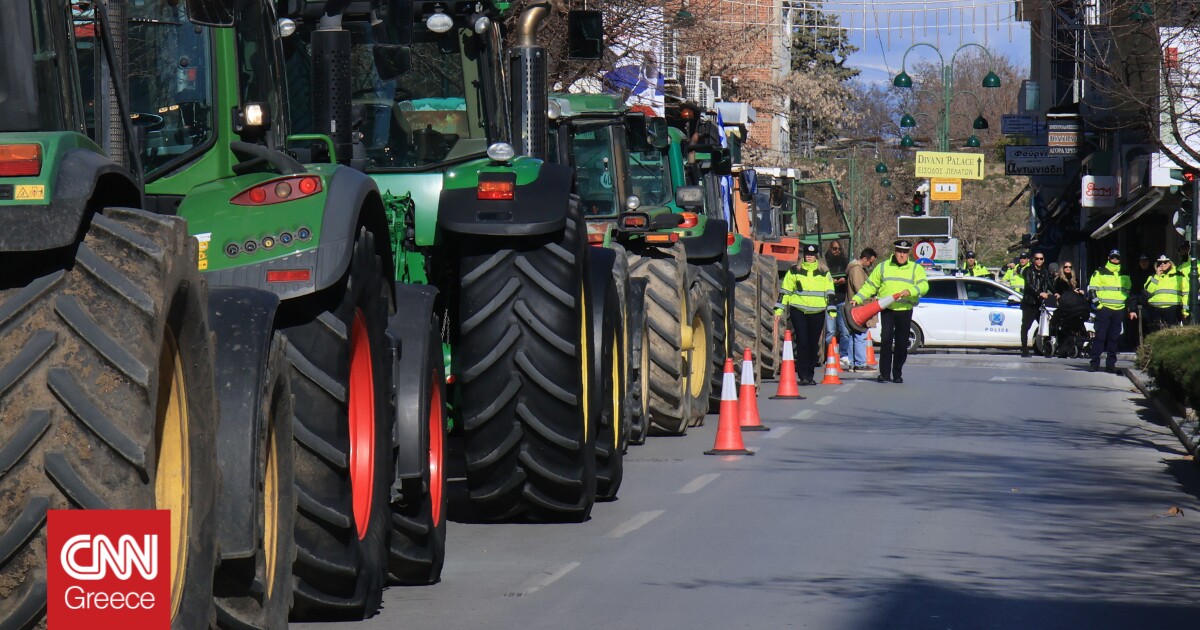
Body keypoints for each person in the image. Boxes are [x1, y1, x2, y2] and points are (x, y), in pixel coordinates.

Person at [850, 239, 929, 384]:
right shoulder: (883, 266)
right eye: (899, 251)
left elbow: (924, 286)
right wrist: (858, 298)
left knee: (901, 343)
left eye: (905, 252)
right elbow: (870, 285)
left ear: (908, 253)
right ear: (895, 252)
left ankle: (897, 372)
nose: (902, 255)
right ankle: (884, 374)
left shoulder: (915, 268)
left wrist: (910, 291)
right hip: (887, 309)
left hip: (905, 310)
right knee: (886, 340)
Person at [776, 244, 835, 385]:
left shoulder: (824, 272)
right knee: (802, 341)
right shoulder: (794, 270)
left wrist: (831, 310)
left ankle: (810, 375)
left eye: (812, 254)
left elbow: (830, 292)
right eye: (807, 255)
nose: (809, 257)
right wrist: (779, 309)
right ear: (804, 256)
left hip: (817, 311)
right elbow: (785, 290)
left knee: (813, 343)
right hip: (799, 310)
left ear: (816, 256)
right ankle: (803, 375)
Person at [1087, 249, 1135, 373]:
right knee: (1099, 337)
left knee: (1114, 338)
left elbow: (1129, 291)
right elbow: (1092, 290)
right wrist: (1099, 305)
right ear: (1108, 258)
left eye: (1117, 258)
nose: (1115, 260)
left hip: (1118, 310)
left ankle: (1110, 365)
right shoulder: (1100, 272)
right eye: (1112, 257)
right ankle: (1094, 363)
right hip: (1104, 309)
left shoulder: (1124, 272)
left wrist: (1127, 306)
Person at [844, 247, 878, 371]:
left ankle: (854, 362)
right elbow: (860, 289)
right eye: (870, 262)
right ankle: (860, 363)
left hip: (854, 307)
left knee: (854, 335)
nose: (870, 265)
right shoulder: (857, 270)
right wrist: (871, 299)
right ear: (864, 259)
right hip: (858, 308)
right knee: (859, 335)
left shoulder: (855, 269)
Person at [1019, 251, 1054, 357]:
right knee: (1026, 326)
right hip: (1030, 303)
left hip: (1040, 304)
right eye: (1037, 258)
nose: (1039, 260)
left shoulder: (1045, 271)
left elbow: (1048, 283)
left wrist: (1056, 292)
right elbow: (1029, 285)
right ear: (1033, 259)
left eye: (1041, 259)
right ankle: (1024, 349)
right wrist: (1040, 293)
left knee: (1045, 326)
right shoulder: (1028, 270)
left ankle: (1045, 348)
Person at [1144, 254, 1188, 333]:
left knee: (1172, 335)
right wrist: (1157, 276)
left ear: (1170, 263)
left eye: (1165, 262)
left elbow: (1186, 294)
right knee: (1155, 335)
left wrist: (1185, 311)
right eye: (1160, 262)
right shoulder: (1152, 277)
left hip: (1173, 309)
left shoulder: (1179, 276)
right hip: (1155, 310)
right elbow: (1148, 291)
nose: (1162, 264)